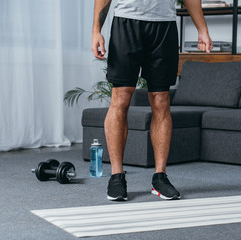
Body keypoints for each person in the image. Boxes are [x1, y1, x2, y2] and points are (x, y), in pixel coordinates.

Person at [91, 0, 213, 201]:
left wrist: (202, 29)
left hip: (164, 25)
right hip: (126, 22)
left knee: (161, 100)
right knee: (120, 98)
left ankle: (160, 177)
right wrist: (97, 30)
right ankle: (116, 176)